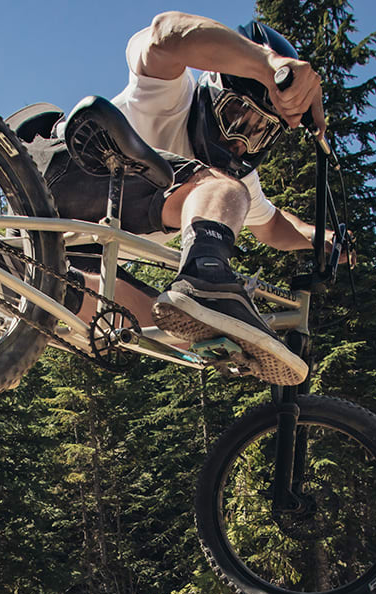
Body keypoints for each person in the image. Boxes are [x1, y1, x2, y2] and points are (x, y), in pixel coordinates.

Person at [33, 12, 334, 386]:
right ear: (213, 92)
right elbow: (166, 34)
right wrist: (267, 64)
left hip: (76, 245)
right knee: (222, 191)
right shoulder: (170, 95)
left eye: (258, 133)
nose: (239, 141)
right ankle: (205, 281)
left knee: (158, 325)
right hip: (70, 169)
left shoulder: (236, 179)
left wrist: (317, 236)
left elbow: (272, 224)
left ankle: (44, 282)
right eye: (235, 117)